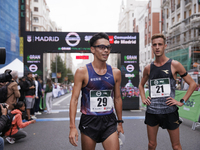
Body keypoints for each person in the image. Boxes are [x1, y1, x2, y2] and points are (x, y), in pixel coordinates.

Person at [139, 33, 196, 150]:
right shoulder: (148, 68)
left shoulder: (174, 65)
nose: (157, 47)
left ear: (165, 46)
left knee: (176, 146)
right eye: (154, 45)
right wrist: (143, 98)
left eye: (160, 44)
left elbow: (193, 84)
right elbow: (140, 85)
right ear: (152, 47)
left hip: (170, 111)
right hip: (152, 111)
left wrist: (182, 101)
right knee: (151, 145)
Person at [69, 32, 124, 150]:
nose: (106, 51)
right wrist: (72, 126)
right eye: (102, 47)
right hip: (89, 120)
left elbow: (117, 98)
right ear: (92, 49)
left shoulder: (115, 72)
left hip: (109, 119)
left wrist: (119, 123)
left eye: (108, 47)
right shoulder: (82, 71)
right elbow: (74, 99)